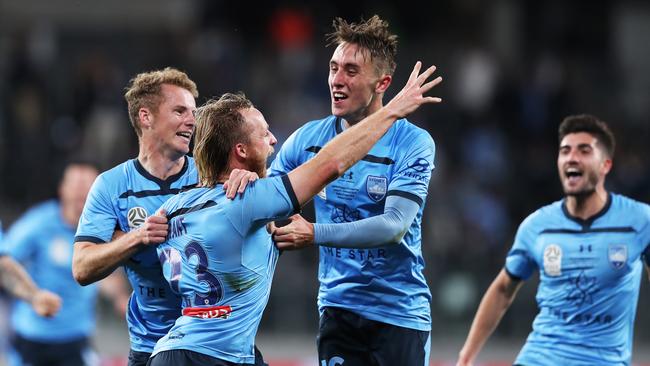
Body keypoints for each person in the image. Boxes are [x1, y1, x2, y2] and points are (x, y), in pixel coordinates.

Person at [148, 61, 441, 365]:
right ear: (241, 150)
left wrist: (138, 236)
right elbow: (329, 165)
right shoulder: (251, 201)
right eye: (264, 134)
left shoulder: (172, 207)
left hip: (171, 350)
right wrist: (391, 112)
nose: (274, 140)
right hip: (217, 356)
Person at [265, 15, 437, 365]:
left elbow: (394, 227)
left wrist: (313, 233)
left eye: (351, 71)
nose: (336, 81)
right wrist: (245, 178)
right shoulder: (308, 140)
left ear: (382, 82)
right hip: (338, 308)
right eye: (333, 68)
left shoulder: (413, 143)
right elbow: (269, 199)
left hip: (399, 314)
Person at [456, 115, 650, 366]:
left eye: (584, 150)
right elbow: (503, 289)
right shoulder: (537, 226)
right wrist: (466, 356)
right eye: (565, 151)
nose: (572, 158)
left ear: (605, 165)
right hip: (539, 358)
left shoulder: (639, 220)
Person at [72, 67, 200, 366]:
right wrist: (136, 238)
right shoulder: (112, 185)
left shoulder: (209, 175)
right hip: (150, 347)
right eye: (180, 110)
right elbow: (81, 267)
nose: (191, 120)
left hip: (208, 343)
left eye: (193, 112)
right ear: (146, 117)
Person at [1, 162, 129, 366]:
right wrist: (33, 296)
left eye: (87, 186)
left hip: (75, 335)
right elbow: (6, 259)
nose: (81, 192)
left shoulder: (102, 229)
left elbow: (107, 272)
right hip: (33, 335)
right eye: (76, 184)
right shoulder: (39, 223)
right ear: (63, 188)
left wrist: (120, 297)